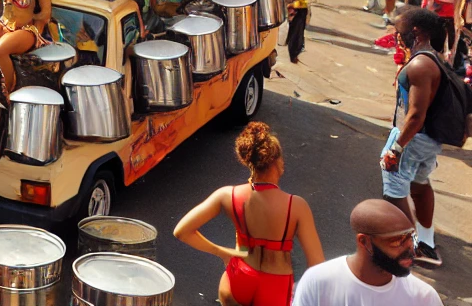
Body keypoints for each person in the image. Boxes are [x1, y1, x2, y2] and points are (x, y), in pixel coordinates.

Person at [174, 122, 324, 306]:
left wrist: (222, 253)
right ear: (277, 162)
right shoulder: (297, 206)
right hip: (275, 286)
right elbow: (317, 266)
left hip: (238, 278)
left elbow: (181, 231)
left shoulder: (227, 195)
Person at [382, 9, 460, 269]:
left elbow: (415, 115)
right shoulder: (431, 59)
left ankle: (410, 246)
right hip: (426, 140)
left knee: (394, 191)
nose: (397, 38)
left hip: (414, 138)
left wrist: (395, 147)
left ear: (416, 32)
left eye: (399, 32)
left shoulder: (421, 65)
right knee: (419, 184)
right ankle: (425, 242)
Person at [292, 199, 441, 305]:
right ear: (364, 242)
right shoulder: (318, 282)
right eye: (397, 240)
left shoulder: (424, 298)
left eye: (411, 238)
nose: (410, 249)